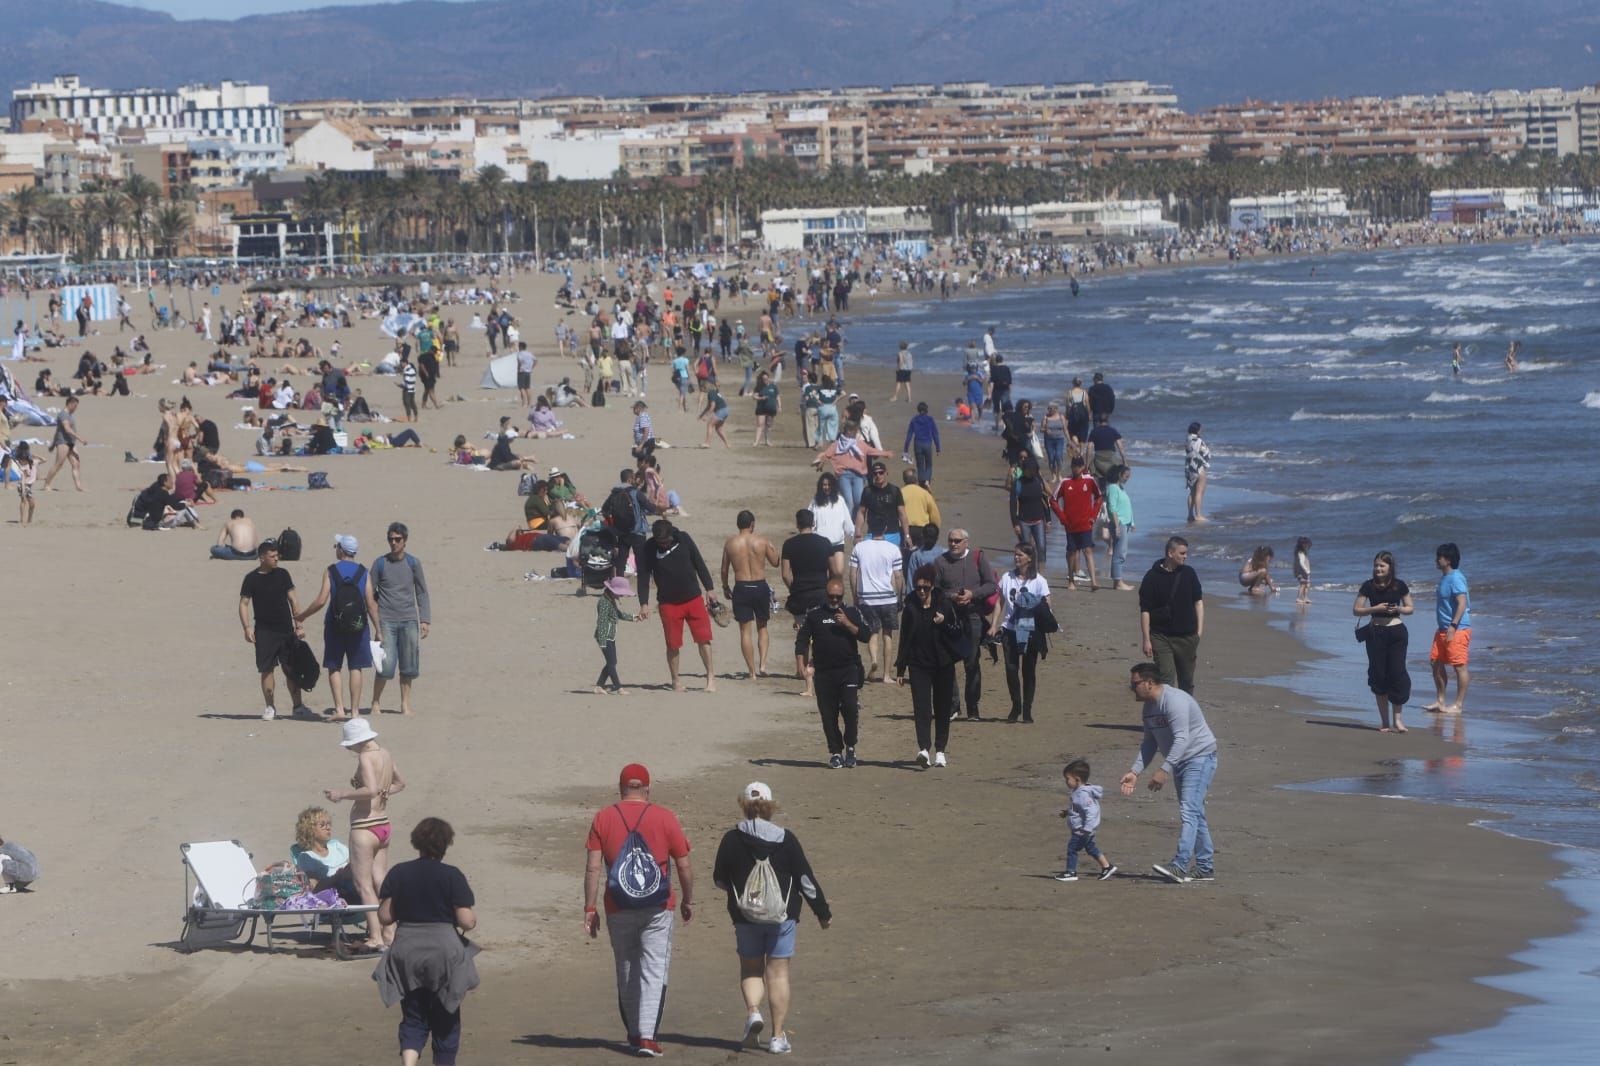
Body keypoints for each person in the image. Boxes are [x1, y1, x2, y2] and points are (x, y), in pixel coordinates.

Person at [583, 763, 694, 1059]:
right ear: (647, 788)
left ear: (621, 789)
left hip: (617, 904)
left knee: (627, 966)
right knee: (654, 967)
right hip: (657, 905)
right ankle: (646, 1037)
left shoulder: (604, 817)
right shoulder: (664, 817)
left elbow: (594, 867)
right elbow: (683, 864)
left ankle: (634, 1032)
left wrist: (590, 907)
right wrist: (688, 900)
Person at [711, 782, 832, 1055]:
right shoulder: (786, 839)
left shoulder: (732, 839)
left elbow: (719, 879)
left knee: (751, 970)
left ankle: (753, 1012)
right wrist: (822, 912)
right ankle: (777, 1037)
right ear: (770, 806)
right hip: (782, 918)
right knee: (777, 975)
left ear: (744, 804)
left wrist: (739, 889)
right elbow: (805, 881)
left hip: (745, 917)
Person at [374, 817, 479, 1066]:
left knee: (413, 1015)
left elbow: (385, 916)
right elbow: (467, 922)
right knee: (446, 1018)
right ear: (445, 844)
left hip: (407, 948)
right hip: (443, 950)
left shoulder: (399, 872)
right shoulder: (452, 875)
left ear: (416, 842)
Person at [1120, 662, 1220, 885]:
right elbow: (1149, 742)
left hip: (1200, 757)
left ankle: (1180, 865)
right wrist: (1134, 772)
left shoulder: (1175, 701)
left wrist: (1164, 769)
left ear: (1149, 682)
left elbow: (1182, 739)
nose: (1131, 688)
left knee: (1189, 810)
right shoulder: (1148, 709)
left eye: (1134, 683)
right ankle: (1205, 867)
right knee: (1195, 812)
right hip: (1181, 761)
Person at [324, 718, 406, 953]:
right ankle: (390, 931)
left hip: (365, 826)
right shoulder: (385, 754)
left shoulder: (365, 757)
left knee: (363, 884)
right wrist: (381, 791)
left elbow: (369, 790)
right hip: (384, 824)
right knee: (381, 880)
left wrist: (343, 794)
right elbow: (400, 783)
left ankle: (376, 937)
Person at [294, 534, 380, 720]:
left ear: (341, 549)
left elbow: (321, 600)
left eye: (337, 546)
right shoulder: (363, 572)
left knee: (335, 667)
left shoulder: (331, 571)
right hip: (359, 625)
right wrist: (378, 629)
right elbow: (371, 603)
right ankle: (355, 712)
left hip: (335, 624)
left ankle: (340, 709)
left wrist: (303, 616)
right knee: (356, 667)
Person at [795, 576, 871, 767]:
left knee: (850, 709)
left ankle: (851, 747)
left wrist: (847, 623)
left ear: (842, 595)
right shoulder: (814, 614)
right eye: (831, 597)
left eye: (838, 597)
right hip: (824, 672)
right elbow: (802, 640)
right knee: (828, 715)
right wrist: (801, 665)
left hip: (849, 669)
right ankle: (836, 751)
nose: (834, 600)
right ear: (826, 595)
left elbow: (866, 635)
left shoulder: (852, 612)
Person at [637, 519, 718, 693]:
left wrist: (709, 588)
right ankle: (676, 681)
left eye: (665, 541)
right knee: (673, 644)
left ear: (671, 534)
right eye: (660, 542)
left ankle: (710, 677)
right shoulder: (649, 548)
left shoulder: (684, 539)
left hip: (693, 598)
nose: (663, 545)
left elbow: (699, 562)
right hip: (668, 603)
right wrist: (644, 603)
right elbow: (643, 577)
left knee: (703, 638)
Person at [894, 564, 963, 768]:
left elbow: (957, 633)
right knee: (922, 708)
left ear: (932, 586)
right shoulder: (910, 608)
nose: (922, 591)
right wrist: (900, 668)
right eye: (918, 588)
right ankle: (924, 748)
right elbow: (904, 639)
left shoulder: (945, 605)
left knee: (942, 709)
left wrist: (944, 622)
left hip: (943, 664)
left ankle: (940, 750)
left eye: (925, 587)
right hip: (918, 665)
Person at [238, 538, 308, 721]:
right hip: (264, 631)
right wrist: (246, 627)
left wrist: (298, 625)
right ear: (262, 558)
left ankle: (298, 706)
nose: (276, 559)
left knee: (291, 668)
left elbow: (293, 599)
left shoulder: (283, 574)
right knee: (267, 670)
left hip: (285, 629)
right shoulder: (251, 579)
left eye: (277, 556)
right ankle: (270, 707)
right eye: (272, 556)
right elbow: (244, 604)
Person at [369, 522, 432, 717]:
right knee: (385, 666)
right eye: (391, 539)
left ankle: (405, 704)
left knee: (409, 665)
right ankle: (375, 702)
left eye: (398, 539)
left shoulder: (413, 563)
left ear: (405, 541)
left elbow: (421, 592)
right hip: (386, 620)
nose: (394, 543)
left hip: (409, 620)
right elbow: (369, 593)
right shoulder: (380, 563)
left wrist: (425, 619)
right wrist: (376, 621)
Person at [934, 528, 997, 721]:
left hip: (973, 617)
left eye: (957, 541)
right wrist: (952, 596)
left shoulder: (978, 558)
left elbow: (991, 585)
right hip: (950, 617)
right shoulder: (940, 561)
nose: (953, 544)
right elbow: (935, 591)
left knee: (972, 662)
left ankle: (973, 707)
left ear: (966, 542)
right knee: (948, 662)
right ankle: (953, 705)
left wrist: (972, 594)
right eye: (951, 540)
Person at [1354, 550, 1415, 733]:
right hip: (1376, 633)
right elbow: (1356, 609)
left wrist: (1399, 608)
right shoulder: (1368, 586)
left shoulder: (1399, 585)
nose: (1378, 569)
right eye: (1376, 565)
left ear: (1390, 567)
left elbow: (1410, 608)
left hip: (1397, 632)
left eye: (1382, 565)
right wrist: (1375, 608)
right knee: (1378, 675)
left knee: (1397, 673)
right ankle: (1385, 722)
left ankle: (1398, 719)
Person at [994, 542, 1052, 723]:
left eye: (1020, 555)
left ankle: (1027, 709)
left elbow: (1048, 605)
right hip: (1009, 629)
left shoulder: (1039, 581)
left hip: (1030, 631)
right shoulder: (1007, 577)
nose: (1016, 557)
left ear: (1030, 558)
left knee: (1028, 671)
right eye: (1015, 554)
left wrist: (1032, 605)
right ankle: (1015, 705)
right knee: (1011, 670)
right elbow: (1000, 602)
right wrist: (994, 624)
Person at [1139, 536, 1204, 695]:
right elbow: (1145, 610)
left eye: (1186, 553)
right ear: (1170, 553)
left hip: (1187, 637)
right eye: (1182, 553)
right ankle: (1166, 716)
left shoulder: (1189, 573)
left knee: (1186, 682)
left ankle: (1185, 716)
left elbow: (1198, 602)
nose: (1185, 556)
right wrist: (1146, 639)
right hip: (1161, 636)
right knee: (1166, 680)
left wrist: (1199, 632)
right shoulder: (1152, 577)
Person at [720, 510, 781, 679]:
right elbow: (776, 562)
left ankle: (752, 672)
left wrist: (725, 586)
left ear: (738, 524)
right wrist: (773, 547)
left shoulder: (730, 543)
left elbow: (724, 569)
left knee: (745, 631)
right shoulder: (762, 541)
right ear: (752, 524)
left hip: (741, 586)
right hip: (760, 586)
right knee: (762, 627)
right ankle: (762, 664)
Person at [1424, 542, 1471, 715]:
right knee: (1435, 662)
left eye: (1439, 557)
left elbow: (1462, 603)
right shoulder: (1445, 577)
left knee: (1459, 666)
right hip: (1442, 629)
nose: (1436, 560)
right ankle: (1440, 701)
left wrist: (1453, 625)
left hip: (1457, 629)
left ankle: (1458, 705)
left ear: (1448, 560)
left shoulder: (1456, 577)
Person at [850, 532, 903, 684]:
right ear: (885, 529)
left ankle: (874, 660)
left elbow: (853, 574)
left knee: (872, 632)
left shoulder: (859, 547)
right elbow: (898, 576)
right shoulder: (893, 548)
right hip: (888, 596)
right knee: (888, 634)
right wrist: (899, 596)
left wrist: (855, 595)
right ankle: (886, 675)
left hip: (867, 596)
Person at [1057, 760, 1116, 882]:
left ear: (1077, 779)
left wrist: (1087, 829)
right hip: (1084, 829)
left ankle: (1071, 872)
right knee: (1090, 848)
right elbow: (1078, 809)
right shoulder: (1078, 792)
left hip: (1082, 830)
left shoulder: (1083, 794)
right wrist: (1067, 812)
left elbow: (1091, 812)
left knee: (1072, 848)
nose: (1066, 782)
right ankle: (1107, 867)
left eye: (1067, 779)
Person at [1052, 455, 1102, 590]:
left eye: (1078, 466)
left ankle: (1093, 582)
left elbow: (1099, 497)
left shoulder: (1090, 481)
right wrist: (1062, 518)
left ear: (1083, 467)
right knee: (1072, 552)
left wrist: (1093, 516)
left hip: (1086, 523)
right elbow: (1053, 500)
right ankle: (1071, 580)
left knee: (1088, 550)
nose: (1076, 469)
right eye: (1074, 466)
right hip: (1070, 524)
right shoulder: (1065, 482)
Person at [290, 806, 356, 900]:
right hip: (333, 899)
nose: (328, 827)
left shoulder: (337, 847)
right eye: (323, 825)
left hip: (353, 890)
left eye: (329, 824)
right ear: (309, 829)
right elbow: (315, 889)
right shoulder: (306, 858)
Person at [594, 576, 637, 694]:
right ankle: (618, 687)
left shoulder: (610, 599)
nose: (622, 596)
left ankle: (599, 686)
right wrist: (602, 642)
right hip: (604, 636)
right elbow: (601, 622)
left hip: (610, 636)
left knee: (612, 662)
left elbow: (618, 614)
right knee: (612, 662)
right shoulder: (603, 602)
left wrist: (634, 618)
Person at [854, 461, 910, 545]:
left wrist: (907, 535)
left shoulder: (894, 491)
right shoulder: (867, 491)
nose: (878, 475)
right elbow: (861, 512)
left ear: (886, 472)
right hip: (872, 534)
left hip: (892, 535)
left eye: (881, 472)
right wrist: (857, 533)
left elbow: (902, 514)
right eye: (875, 473)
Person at [1010, 457, 1050, 566]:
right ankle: (1027, 571)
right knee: (1026, 549)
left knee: (1041, 547)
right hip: (1024, 522)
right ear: (1024, 469)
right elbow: (1012, 505)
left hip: (1039, 520)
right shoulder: (1018, 483)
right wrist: (1015, 524)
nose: (1031, 472)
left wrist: (1048, 520)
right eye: (1029, 469)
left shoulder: (1038, 481)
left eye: (1033, 469)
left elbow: (1045, 501)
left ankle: (1041, 573)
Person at [41, 395, 86, 492]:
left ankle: (78, 486)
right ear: (70, 404)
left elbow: (57, 431)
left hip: (71, 442)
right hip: (63, 442)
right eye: (75, 406)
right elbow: (67, 429)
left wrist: (52, 444)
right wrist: (80, 438)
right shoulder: (63, 414)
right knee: (58, 464)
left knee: (76, 464)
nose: (76, 409)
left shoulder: (69, 415)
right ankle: (46, 484)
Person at [808, 472, 855, 559]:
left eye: (829, 485)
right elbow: (808, 519)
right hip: (820, 543)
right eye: (824, 485)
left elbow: (847, 519)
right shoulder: (815, 501)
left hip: (837, 543)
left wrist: (854, 534)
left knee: (838, 572)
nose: (826, 487)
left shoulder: (840, 500)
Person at [1104, 465, 1136, 591]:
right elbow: (1112, 508)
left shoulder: (1120, 488)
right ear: (1119, 474)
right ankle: (1118, 582)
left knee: (1121, 551)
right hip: (1119, 523)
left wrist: (1132, 523)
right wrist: (1117, 526)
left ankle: (1117, 581)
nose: (1127, 478)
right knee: (1120, 553)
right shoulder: (1112, 488)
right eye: (1126, 476)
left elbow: (1127, 506)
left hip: (1125, 523)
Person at [902, 401, 940, 483]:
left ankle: (922, 482)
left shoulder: (914, 420)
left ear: (918, 410)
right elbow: (935, 434)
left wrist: (905, 449)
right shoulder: (930, 419)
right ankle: (927, 481)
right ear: (927, 410)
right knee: (929, 465)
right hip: (927, 444)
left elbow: (909, 435)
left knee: (920, 466)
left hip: (918, 444)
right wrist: (938, 448)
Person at [1086, 414, 1126, 487]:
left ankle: (1102, 495)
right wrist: (1124, 462)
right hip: (1111, 461)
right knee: (1113, 483)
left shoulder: (1094, 431)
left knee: (1101, 484)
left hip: (1099, 461)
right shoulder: (1113, 431)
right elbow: (1121, 447)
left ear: (1099, 421)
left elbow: (1089, 448)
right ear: (1108, 421)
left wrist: (1087, 465)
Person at [1185, 422, 1211, 524]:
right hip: (1198, 467)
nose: (1201, 431)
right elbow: (1206, 452)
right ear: (1197, 430)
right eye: (1200, 429)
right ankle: (1198, 515)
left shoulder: (1187, 439)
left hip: (1189, 468)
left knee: (1192, 492)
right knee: (1200, 492)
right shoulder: (1199, 440)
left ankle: (1190, 514)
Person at [699, 381, 732, 449]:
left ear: (705, 387)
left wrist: (706, 416)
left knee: (710, 424)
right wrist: (702, 415)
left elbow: (712, 406)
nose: (702, 390)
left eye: (702, 389)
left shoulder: (711, 392)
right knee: (719, 429)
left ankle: (707, 443)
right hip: (725, 410)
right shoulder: (714, 392)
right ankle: (728, 444)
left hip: (721, 410)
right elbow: (708, 406)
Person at [752, 370, 780, 447]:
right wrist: (761, 398)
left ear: (769, 378)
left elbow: (777, 396)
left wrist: (779, 406)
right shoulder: (759, 387)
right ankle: (756, 441)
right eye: (764, 379)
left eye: (766, 378)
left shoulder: (773, 386)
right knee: (760, 425)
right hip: (761, 408)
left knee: (769, 425)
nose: (765, 380)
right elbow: (754, 397)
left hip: (771, 408)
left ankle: (767, 440)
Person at [515, 340, 536, 408]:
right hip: (528, 372)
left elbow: (519, 363)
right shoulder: (529, 353)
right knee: (527, 388)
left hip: (522, 372)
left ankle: (524, 404)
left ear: (520, 347)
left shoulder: (519, 354)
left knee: (522, 388)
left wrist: (518, 370)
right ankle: (529, 403)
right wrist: (532, 368)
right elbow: (535, 360)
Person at [1293, 536, 1313, 604]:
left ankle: (1305, 598)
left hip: (1303, 571)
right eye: (1306, 545)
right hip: (1302, 572)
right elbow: (1301, 563)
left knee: (1306, 585)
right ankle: (1298, 598)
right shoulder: (1300, 553)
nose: (1307, 546)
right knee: (1303, 584)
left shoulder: (1301, 553)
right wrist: (1306, 570)